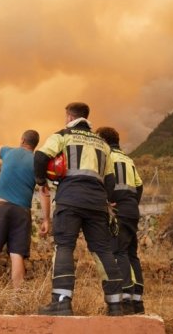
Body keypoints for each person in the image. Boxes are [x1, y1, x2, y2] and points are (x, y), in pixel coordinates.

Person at [34, 102, 124, 316]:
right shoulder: (103, 145)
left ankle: (62, 302)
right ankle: (115, 305)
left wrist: (41, 180)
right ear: (86, 117)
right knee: (103, 250)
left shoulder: (62, 135)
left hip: (70, 199)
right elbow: (111, 180)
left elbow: (40, 156)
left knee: (64, 246)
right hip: (97, 204)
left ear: (69, 117)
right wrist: (107, 200)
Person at [0, 130, 51, 296]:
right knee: (17, 256)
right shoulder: (37, 161)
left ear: (22, 139)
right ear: (35, 144)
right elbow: (44, 192)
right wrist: (46, 219)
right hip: (21, 212)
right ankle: (17, 299)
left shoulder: (9, 152)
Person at [96, 126, 145, 314]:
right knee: (132, 254)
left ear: (103, 140)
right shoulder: (129, 159)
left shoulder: (106, 156)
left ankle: (125, 300)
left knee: (119, 252)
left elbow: (104, 181)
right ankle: (137, 301)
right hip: (132, 210)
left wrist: (110, 202)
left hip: (119, 211)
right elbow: (139, 186)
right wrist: (131, 202)